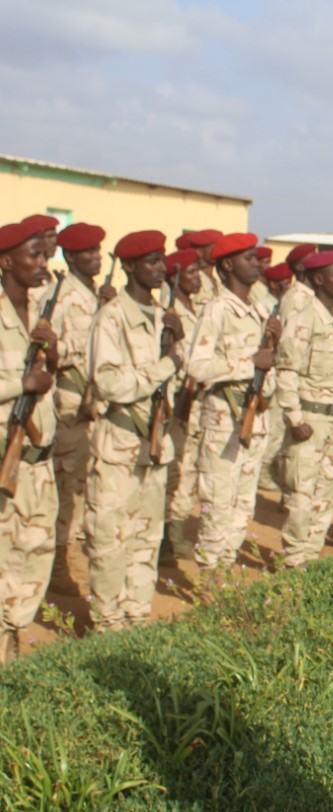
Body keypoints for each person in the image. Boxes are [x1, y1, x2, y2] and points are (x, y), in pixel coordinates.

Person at [84, 230, 184, 630]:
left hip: (155, 442)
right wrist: (165, 365)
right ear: (128, 267)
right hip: (121, 442)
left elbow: (181, 369)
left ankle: (138, 615)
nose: (161, 269)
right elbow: (108, 383)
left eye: (162, 260)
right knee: (110, 538)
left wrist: (178, 340)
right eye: (151, 262)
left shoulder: (162, 316)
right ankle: (107, 622)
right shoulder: (111, 318)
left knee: (147, 536)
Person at [186, 232, 281, 571]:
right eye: (249, 258)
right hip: (224, 420)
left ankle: (226, 566)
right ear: (227, 264)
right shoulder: (217, 309)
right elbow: (196, 365)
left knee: (243, 503)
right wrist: (248, 363)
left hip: (254, 419)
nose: (257, 264)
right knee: (219, 500)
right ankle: (210, 573)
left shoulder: (256, 308)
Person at [0, 218, 59, 663]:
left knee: (36, 557)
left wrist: (52, 353)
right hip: (7, 459)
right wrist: (21, 384)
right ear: (6, 261)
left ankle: (13, 650)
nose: (43, 262)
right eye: (33, 255)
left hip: (40, 462)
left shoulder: (40, 311)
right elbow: (27, 384)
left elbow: (48, 380)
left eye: (44, 254)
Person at [276, 251, 333, 567]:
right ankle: (293, 559)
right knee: (302, 493)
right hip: (310, 418)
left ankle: (312, 553)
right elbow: (286, 370)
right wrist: (294, 418)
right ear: (319, 279)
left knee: (327, 489)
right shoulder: (303, 318)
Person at [45, 222, 109, 594]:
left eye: (98, 251)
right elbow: (54, 352)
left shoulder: (94, 294)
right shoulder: (63, 296)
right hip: (71, 401)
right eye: (88, 252)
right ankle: (57, 566)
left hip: (95, 402)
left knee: (87, 484)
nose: (96, 257)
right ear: (70, 257)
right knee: (67, 487)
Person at [162, 249, 204, 559]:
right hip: (178, 400)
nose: (197, 277)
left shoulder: (197, 307)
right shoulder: (169, 310)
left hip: (198, 397)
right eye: (190, 273)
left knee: (189, 467)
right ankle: (166, 536)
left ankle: (175, 531)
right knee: (175, 468)